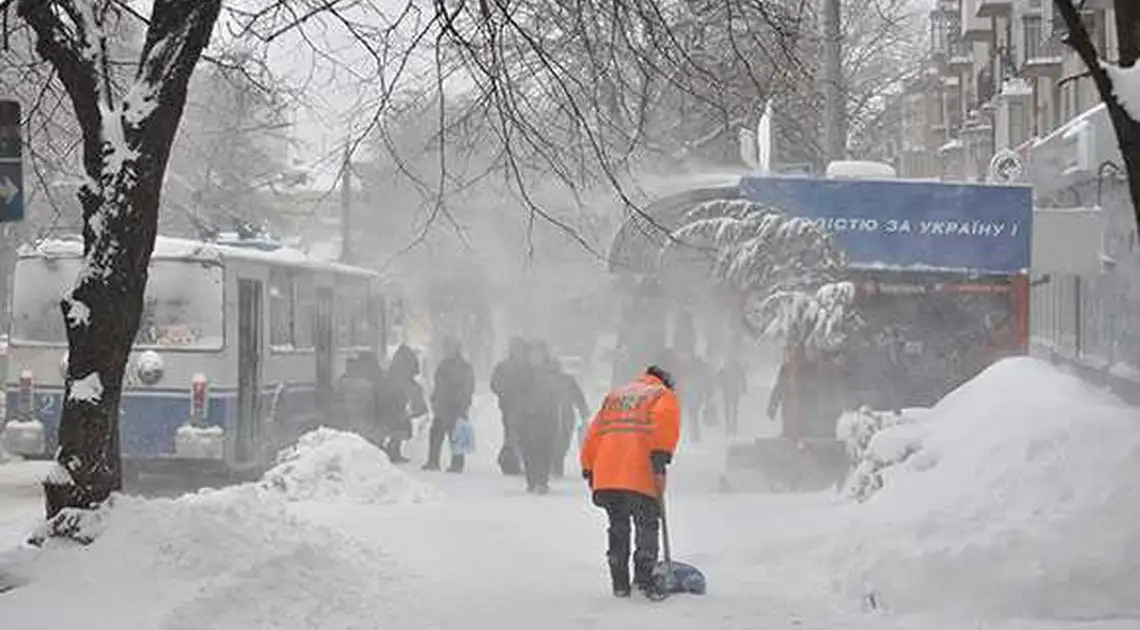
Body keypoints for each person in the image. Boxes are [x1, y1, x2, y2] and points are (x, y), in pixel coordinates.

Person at [580, 364, 680, 601]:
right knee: (646, 524)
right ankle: (644, 582)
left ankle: (620, 584)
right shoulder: (662, 395)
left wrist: (588, 467)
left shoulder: (616, 396)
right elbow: (664, 424)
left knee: (618, 525)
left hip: (607, 475)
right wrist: (660, 456)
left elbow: (593, 433)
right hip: (638, 472)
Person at [424, 337, 476, 472]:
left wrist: (462, 402)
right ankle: (435, 461)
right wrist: (435, 399)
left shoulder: (462, 367)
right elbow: (439, 385)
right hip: (444, 406)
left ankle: (454, 463)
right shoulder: (444, 365)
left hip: (455, 407)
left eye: (449, 347)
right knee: (438, 433)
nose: (446, 350)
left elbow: (468, 388)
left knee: (454, 434)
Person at [518, 341, 562, 493]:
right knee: (528, 450)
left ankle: (542, 481)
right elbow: (515, 393)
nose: (535, 356)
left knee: (545, 449)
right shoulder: (523, 372)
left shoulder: (552, 370)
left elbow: (560, 390)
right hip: (527, 417)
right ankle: (531, 480)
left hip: (548, 416)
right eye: (533, 353)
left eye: (539, 353)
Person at [490, 337, 529, 475]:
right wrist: (503, 392)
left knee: (524, 436)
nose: (517, 351)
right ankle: (513, 463)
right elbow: (494, 383)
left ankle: (522, 462)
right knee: (511, 435)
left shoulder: (528, 367)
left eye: (519, 348)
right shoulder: (503, 366)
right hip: (509, 407)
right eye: (514, 348)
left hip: (528, 408)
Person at [384, 343, 427, 463]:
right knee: (398, 429)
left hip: (396, 403)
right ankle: (393, 452)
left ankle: (394, 451)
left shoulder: (395, 369)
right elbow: (406, 384)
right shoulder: (401, 371)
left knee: (398, 429)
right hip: (397, 404)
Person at [717, 354, 747, 435]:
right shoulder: (736, 365)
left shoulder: (725, 365)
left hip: (727, 390)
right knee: (734, 408)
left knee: (727, 408)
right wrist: (744, 388)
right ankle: (733, 426)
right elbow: (743, 376)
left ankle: (728, 426)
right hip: (734, 389)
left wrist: (720, 384)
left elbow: (719, 376)